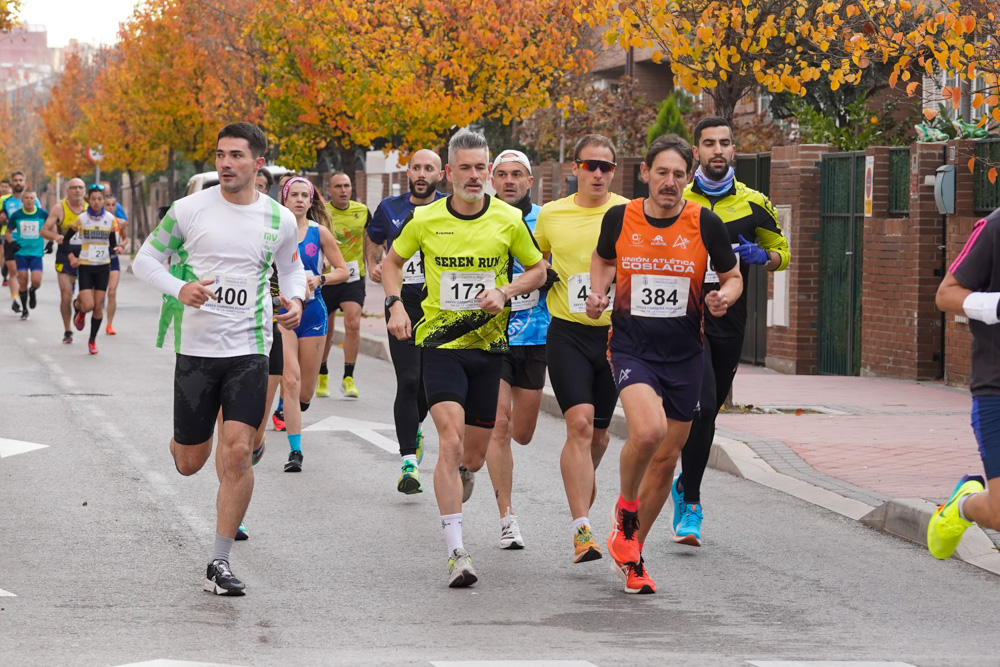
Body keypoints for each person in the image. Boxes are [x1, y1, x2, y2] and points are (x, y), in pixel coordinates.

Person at [133, 122, 307, 596]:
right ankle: (184, 440)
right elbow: (144, 260)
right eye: (220, 155)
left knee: (238, 452)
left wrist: (294, 301)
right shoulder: (189, 210)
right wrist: (179, 287)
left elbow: (291, 268)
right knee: (191, 462)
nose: (226, 163)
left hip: (249, 348)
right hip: (196, 352)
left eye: (236, 155)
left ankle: (219, 560)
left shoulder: (279, 219)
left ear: (257, 163)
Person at [383, 129, 546, 587]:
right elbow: (392, 263)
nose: (475, 177)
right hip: (439, 346)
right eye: (466, 169)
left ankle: (463, 474)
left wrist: (505, 290)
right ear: (448, 173)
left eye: (482, 168)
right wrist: (395, 304)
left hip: (489, 348)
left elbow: (537, 270)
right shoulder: (426, 219)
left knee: (472, 455)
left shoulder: (508, 220)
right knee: (449, 441)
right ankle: (457, 552)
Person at [591, 135, 742, 594]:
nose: (670, 183)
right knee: (648, 432)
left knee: (667, 458)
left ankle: (632, 550)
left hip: (685, 354)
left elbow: (732, 276)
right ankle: (625, 508)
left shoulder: (705, 223)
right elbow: (602, 260)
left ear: (687, 177)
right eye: (662, 173)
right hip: (632, 347)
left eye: (679, 174)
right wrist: (598, 293)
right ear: (645, 173)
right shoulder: (621, 217)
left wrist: (724, 297)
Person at [671, 116, 791, 546]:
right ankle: (692, 505)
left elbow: (784, 254)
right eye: (709, 143)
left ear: (733, 150)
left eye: (724, 143)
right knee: (700, 405)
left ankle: (684, 484)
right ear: (696, 151)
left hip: (729, 316)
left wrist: (762, 257)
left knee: (711, 408)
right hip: (684, 316)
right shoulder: (678, 197)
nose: (717, 150)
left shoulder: (755, 203)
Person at [532, 134, 629, 563]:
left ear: (615, 171)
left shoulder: (629, 213)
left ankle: (582, 507)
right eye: (590, 165)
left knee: (601, 435)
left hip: (615, 337)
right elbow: (535, 260)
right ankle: (581, 529)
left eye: (606, 166)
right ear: (575, 168)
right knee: (580, 424)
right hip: (568, 332)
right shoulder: (551, 215)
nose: (598, 173)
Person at [484, 149, 554, 549]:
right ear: (493, 181)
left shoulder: (546, 220)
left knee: (523, 433)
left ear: (530, 181)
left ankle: (472, 450)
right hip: (492, 335)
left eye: (517, 175)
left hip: (537, 334)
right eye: (502, 175)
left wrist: (551, 274)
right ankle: (507, 517)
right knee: (500, 424)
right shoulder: (482, 218)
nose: (509, 181)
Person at [367, 149, 447, 494]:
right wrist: (374, 263)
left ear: (440, 174)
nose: (421, 173)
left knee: (430, 385)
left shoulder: (449, 206)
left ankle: (413, 427)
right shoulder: (389, 208)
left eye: (429, 168)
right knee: (410, 379)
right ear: (409, 172)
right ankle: (408, 462)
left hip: (441, 304)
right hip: (402, 301)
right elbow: (373, 240)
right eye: (416, 167)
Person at [928, 209, 1000, 560]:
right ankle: (963, 506)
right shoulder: (995, 227)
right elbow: (946, 294)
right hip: (997, 387)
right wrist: (995, 304)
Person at [278, 176, 349, 473]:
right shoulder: (273, 232)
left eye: (303, 195)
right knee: (291, 382)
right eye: (293, 194)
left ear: (311, 201)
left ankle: (294, 404)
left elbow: (343, 271)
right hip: (282, 313)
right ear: (284, 199)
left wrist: (320, 278)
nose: (298, 200)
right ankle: (296, 451)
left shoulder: (320, 233)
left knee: (305, 392)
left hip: (313, 312)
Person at [317, 171, 371, 399]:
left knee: (353, 322)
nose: (343, 190)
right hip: (328, 278)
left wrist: (374, 264)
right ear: (329, 191)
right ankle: (322, 374)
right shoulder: (322, 212)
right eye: (338, 186)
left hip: (352, 277)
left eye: (346, 186)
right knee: (326, 331)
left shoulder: (362, 211)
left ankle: (348, 377)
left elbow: (369, 241)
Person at [61, 185, 117, 355]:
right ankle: (79, 308)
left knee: (98, 306)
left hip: (103, 267)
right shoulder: (82, 219)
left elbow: (113, 244)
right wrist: (71, 256)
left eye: (100, 199)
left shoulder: (110, 219)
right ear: (88, 200)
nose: (97, 202)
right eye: (93, 199)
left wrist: (118, 249)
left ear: (104, 200)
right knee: (89, 304)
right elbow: (66, 240)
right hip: (85, 266)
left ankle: (92, 341)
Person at [41, 178, 87, 344]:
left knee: (87, 298)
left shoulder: (91, 208)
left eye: (80, 187)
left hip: (86, 256)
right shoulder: (60, 208)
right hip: (64, 255)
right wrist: (56, 237)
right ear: (67, 191)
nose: (77, 190)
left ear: (84, 190)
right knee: (65, 295)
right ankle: (68, 330)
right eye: (74, 188)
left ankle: (78, 306)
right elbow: (44, 231)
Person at [4, 190, 47, 320]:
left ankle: (33, 291)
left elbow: (52, 227)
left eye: (31, 198)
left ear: (36, 200)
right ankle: (24, 309)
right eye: (26, 198)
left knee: (36, 280)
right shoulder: (17, 215)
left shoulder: (42, 214)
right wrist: (12, 243)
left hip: (36, 253)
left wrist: (50, 242)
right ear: (22, 201)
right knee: (22, 279)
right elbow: (7, 231)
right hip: (21, 252)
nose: (29, 200)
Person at [103, 191, 129, 335]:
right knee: (96, 296)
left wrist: (121, 245)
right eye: (107, 205)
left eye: (113, 205)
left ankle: (109, 324)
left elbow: (125, 239)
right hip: (97, 261)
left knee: (112, 292)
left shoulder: (120, 222)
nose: (111, 208)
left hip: (113, 259)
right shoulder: (96, 221)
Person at [0, 171, 26, 312]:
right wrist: (2, 220)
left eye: (20, 180)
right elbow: (2, 218)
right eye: (15, 180)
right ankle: (15, 298)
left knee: (23, 274)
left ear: (24, 182)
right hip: (11, 239)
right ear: (12, 183)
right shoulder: (7, 201)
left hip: (28, 241)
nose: (18, 183)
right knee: (13, 270)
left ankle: (25, 294)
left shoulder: (31, 199)